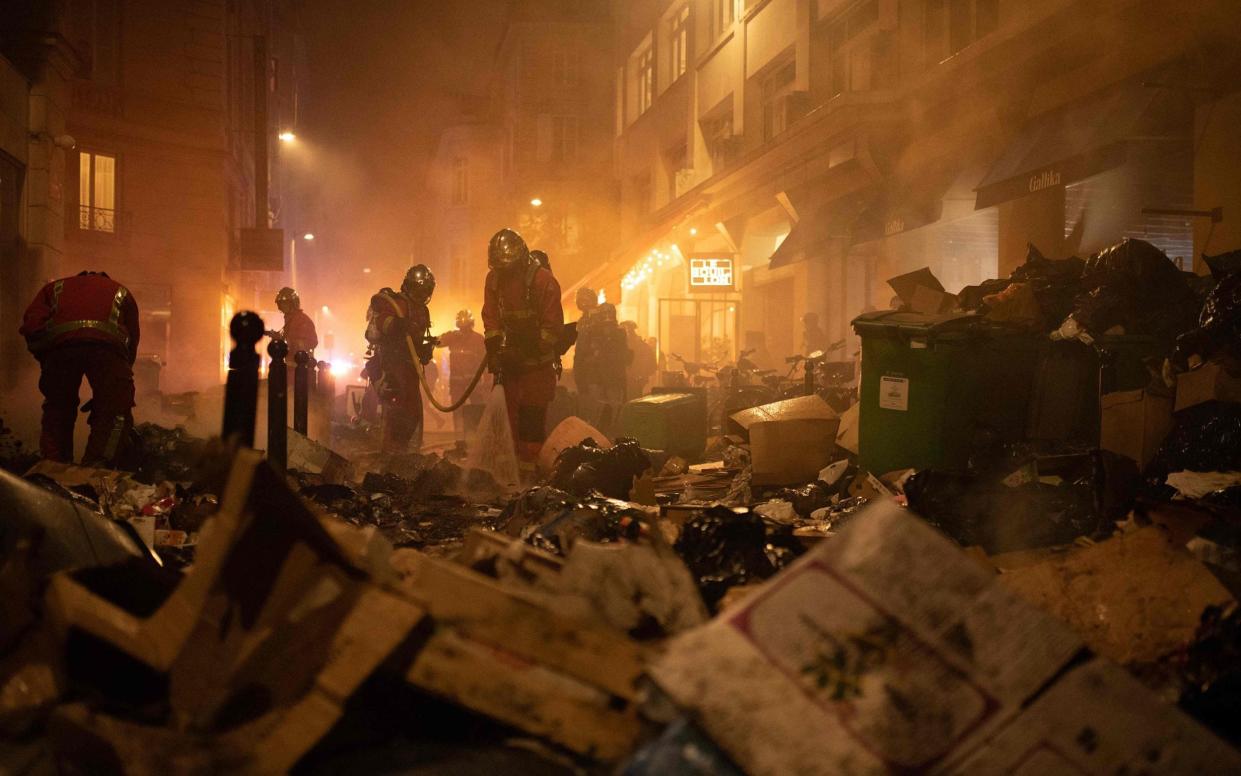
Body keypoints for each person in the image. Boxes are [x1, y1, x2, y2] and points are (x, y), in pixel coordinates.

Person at [20, 271, 140, 466]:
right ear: (105, 278)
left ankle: (54, 466)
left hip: (61, 350)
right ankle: (99, 467)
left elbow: (32, 326)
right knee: (116, 412)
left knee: (58, 407)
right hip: (108, 352)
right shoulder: (121, 291)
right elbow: (132, 342)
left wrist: (46, 359)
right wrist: (114, 391)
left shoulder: (54, 288)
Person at [481, 228, 564, 471]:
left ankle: (529, 474)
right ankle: (507, 475)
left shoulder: (543, 281)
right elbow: (491, 318)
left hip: (536, 365)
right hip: (510, 363)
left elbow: (551, 328)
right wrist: (495, 350)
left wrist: (526, 351)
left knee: (531, 420)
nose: (503, 274)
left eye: (508, 269)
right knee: (507, 422)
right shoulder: (494, 278)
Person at [364, 264, 438, 454]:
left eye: (425, 292)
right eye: (419, 290)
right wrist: (397, 324)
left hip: (411, 367)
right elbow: (383, 322)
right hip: (392, 364)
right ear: (409, 286)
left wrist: (424, 350)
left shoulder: (422, 310)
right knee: (398, 411)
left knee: (412, 412)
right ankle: (391, 453)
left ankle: (401, 451)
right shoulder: (397, 303)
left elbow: (417, 337)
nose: (422, 295)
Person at [437, 309, 487, 436]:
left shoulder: (478, 339)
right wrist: (448, 335)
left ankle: (475, 437)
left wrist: (487, 381)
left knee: (477, 410)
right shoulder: (453, 338)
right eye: (461, 327)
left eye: (466, 327)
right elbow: (437, 343)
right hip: (457, 384)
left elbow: (486, 362)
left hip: (473, 384)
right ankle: (460, 441)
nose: (463, 331)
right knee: (457, 411)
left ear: (471, 325)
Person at [267, 287, 318, 357]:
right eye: (280, 304)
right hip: (290, 365)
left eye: (285, 303)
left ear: (293, 304)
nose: (282, 306)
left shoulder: (302, 320)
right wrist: (279, 337)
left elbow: (311, 342)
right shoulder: (290, 320)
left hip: (302, 366)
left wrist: (284, 340)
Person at [621, 320, 655, 399]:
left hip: (633, 380)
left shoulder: (639, 346)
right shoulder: (640, 345)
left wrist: (641, 375)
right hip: (630, 379)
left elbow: (650, 364)